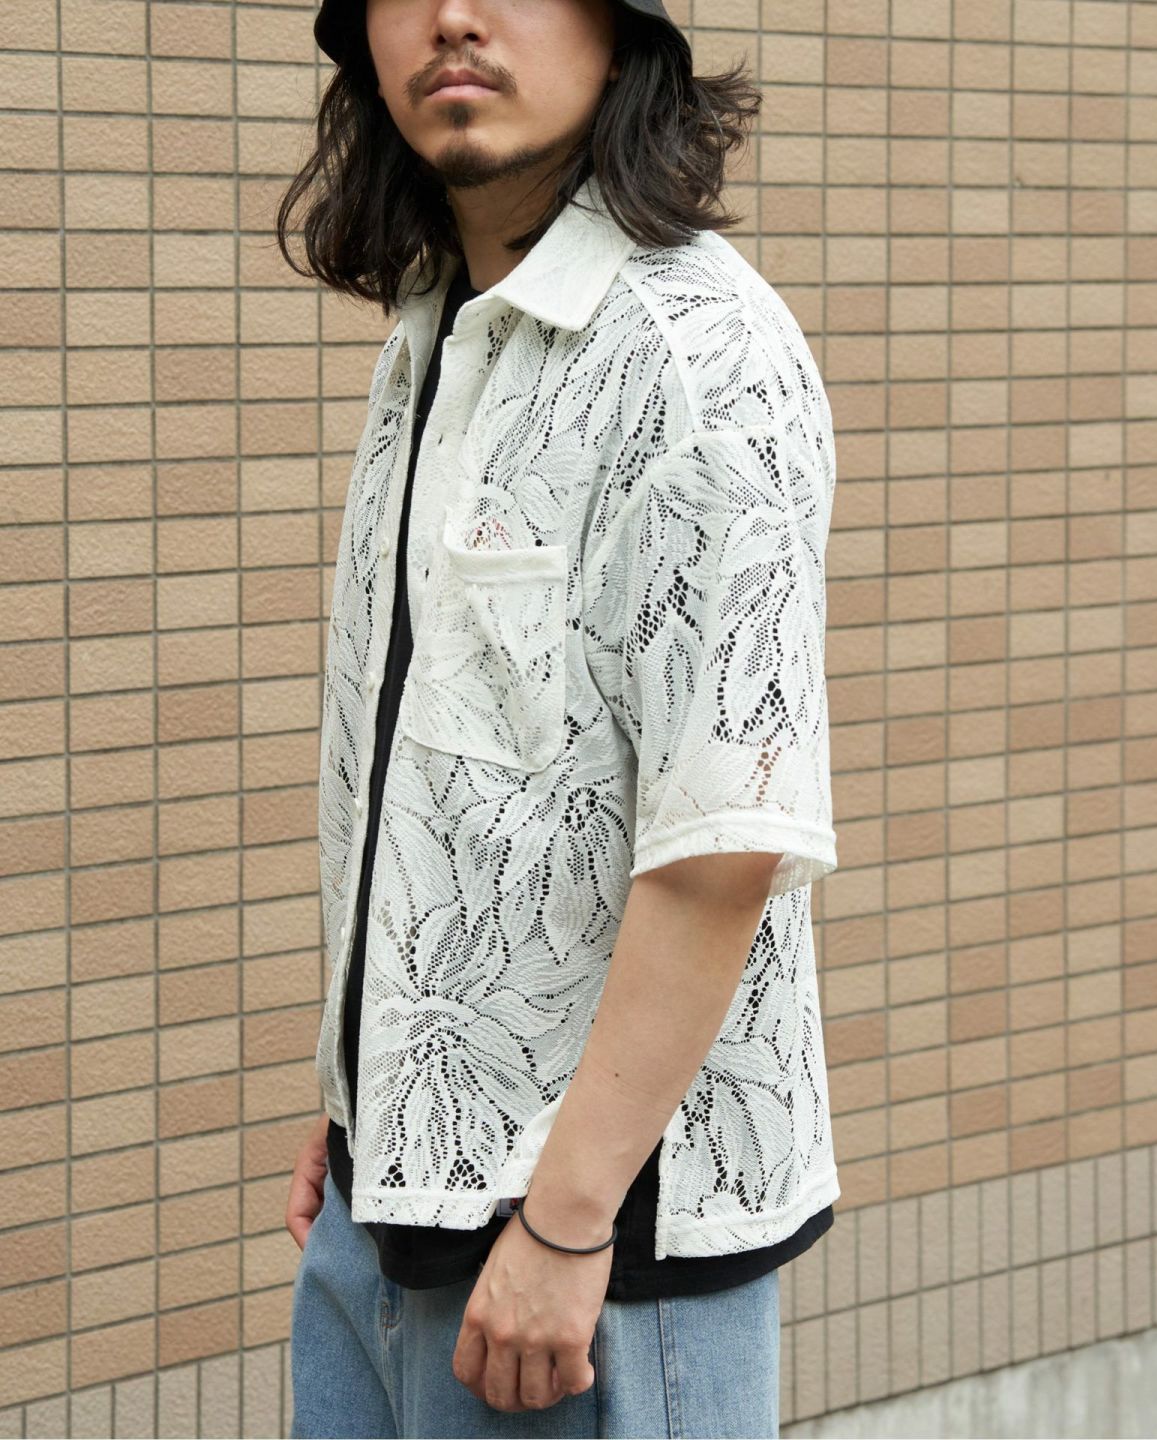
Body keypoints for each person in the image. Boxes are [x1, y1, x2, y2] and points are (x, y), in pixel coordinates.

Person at [278, 2, 842, 1436]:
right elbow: (436, 767)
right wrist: (362, 1093)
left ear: (623, 30)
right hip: (383, 1204)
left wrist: (570, 1221)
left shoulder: (699, 353)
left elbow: (728, 837)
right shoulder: (437, 330)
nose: (455, 18)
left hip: (587, 1265)